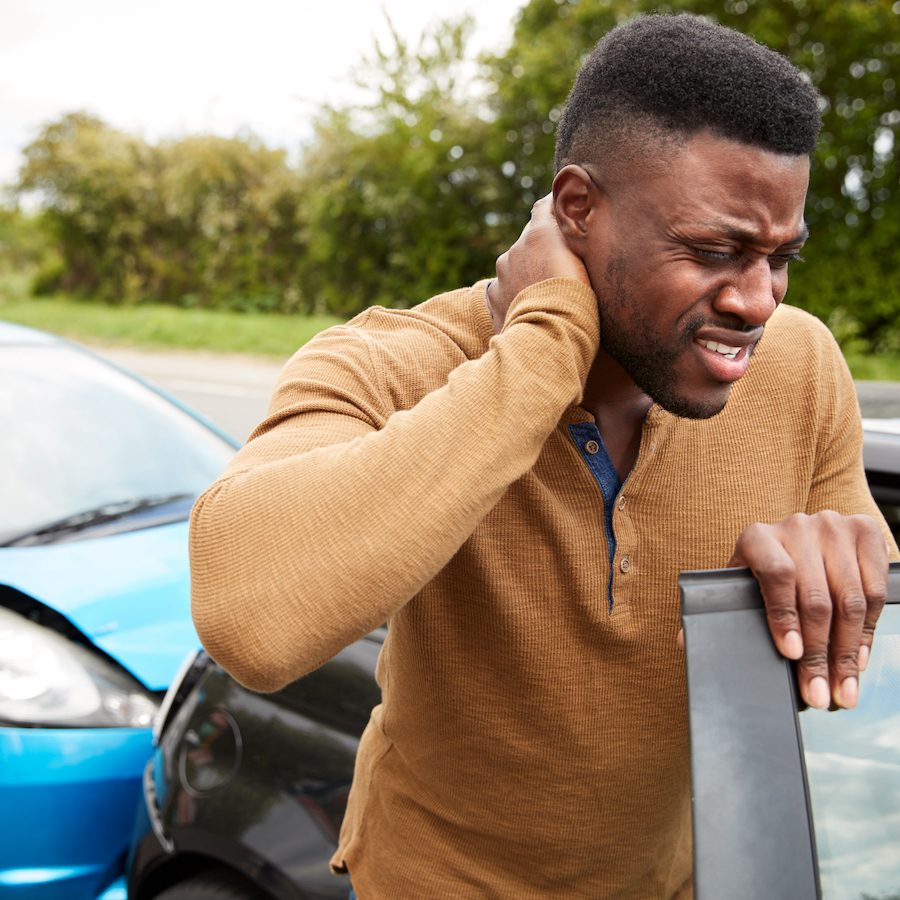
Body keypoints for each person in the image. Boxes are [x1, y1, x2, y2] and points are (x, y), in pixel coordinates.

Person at [189, 13, 898, 899]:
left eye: (778, 258)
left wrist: (832, 567)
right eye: (715, 250)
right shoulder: (387, 364)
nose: (757, 301)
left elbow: (866, 572)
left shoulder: (802, 366)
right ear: (576, 210)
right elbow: (251, 621)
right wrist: (546, 341)